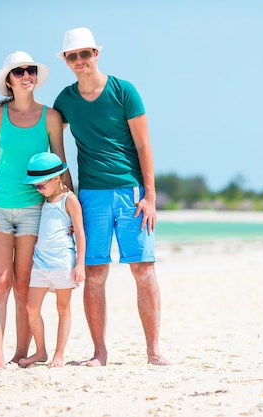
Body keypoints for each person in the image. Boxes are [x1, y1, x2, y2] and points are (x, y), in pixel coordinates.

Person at [53, 27, 169, 366]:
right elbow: (54, 149)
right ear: (65, 60)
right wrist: (65, 199)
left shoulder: (124, 91)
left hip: (131, 193)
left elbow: (144, 144)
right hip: (90, 195)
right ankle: (99, 353)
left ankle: (154, 350)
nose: (79, 61)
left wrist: (150, 195)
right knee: (95, 273)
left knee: (143, 269)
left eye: (84, 54)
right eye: (72, 56)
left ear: (96, 54)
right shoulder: (65, 101)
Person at [0, 51, 72, 370]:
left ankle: (21, 352)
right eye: (19, 71)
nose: (26, 75)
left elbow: (61, 165)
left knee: (24, 283)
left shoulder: (51, 117)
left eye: (30, 70)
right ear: (9, 80)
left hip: (33, 209)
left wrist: (70, 209)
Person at [18, 152, 86, 368]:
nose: (38, 189)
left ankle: (59, 354)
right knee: (31, 308)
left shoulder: (70, 199)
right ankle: (40, 351)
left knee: (63, 307)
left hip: (63, 263)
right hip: (41, 264)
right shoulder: (45, 200)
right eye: (35, 186)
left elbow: (80, 233)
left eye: (41, 185)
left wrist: (80, 265)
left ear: (57, 178)